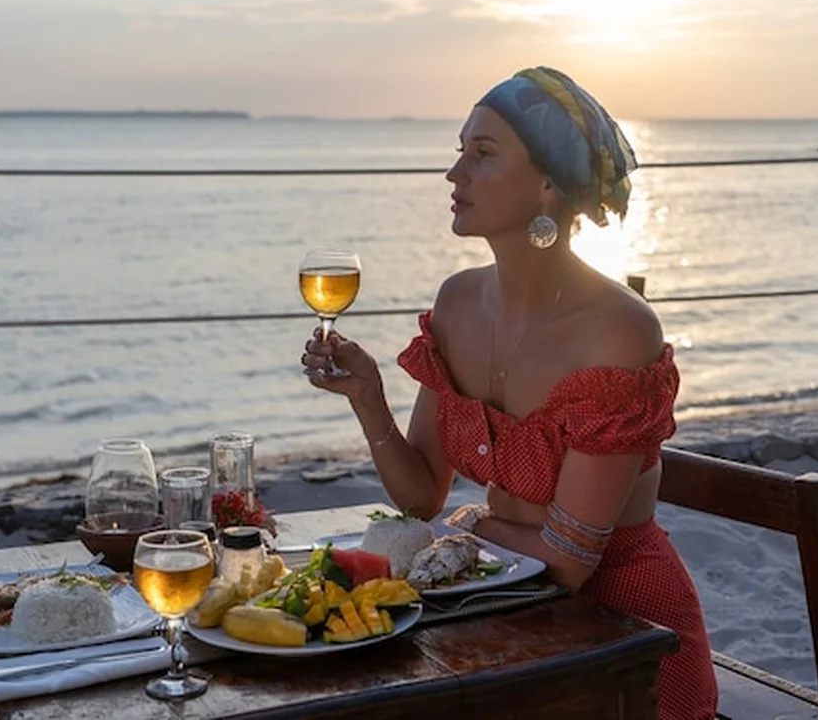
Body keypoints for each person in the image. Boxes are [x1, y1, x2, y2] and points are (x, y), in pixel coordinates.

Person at [301, 66, 718, 719]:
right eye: (459, 150)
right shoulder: (457, 303)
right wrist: (368, 397)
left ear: (550, 182)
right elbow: (419, 495)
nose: (454, 174)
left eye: (483, 154)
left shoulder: (618, 331)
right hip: (501, 611)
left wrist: (466, 526)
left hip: (625, 638)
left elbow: (567, 564)